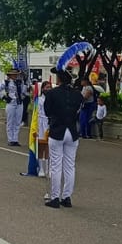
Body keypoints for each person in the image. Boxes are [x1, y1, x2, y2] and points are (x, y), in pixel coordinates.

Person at [42, 69, 84, 208]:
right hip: (72, 131)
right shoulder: (77, 94)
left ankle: (55, 197)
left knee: (56, 165)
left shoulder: (52, 93)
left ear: (59, 79)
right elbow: (78, 111)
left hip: (57, 130)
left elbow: (47, 111)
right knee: (70, 165)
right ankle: (67, 197)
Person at [0, 68, 25, 146]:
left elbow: (24, 92)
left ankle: (15, 139)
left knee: (18, 122)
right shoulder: (5, 82)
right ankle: (10, 139)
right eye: (13, 75)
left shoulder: (20, 82)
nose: (15, 76)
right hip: (11, 103)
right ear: (10, 75)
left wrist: (22, 95)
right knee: (10, 122)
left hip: (19, 103)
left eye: (16, 75)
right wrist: (4, 97)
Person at [34, 80, 52, 177]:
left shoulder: (53, 100)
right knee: (41, 147)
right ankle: (41, 168)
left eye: (50, 87)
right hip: (41, 123)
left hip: (50, 123)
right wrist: (36, 128)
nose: (48, 89)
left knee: (49, 147)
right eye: (46, 87)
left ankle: (48, 169)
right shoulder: (39, 100)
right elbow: (36, 114)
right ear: (43, 89)